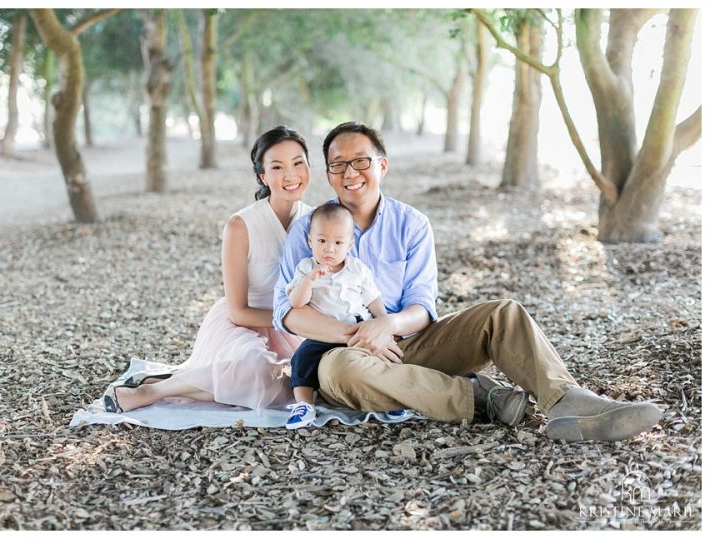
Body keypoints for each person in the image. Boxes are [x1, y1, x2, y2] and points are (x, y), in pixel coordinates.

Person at [273, 121, 662, 442]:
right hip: (343, 355)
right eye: (338, 165)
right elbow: (288, 312)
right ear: (328, 174)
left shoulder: (412, 225)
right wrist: (356, 334)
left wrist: (386, 325)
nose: (350, 173)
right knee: (342, 372)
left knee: (503, 314)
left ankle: (568, 402)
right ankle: (480, 396)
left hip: (410, 343)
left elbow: (422, 308)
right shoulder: (309, 230)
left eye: (361, 161)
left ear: (383, 166)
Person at [103, 126, 313, 413]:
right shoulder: (241, 226)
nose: (290, 175)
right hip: (242, 322)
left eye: (298, 163)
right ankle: (154, 390)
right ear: (263, 176)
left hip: (293, 327)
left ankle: (186, 380)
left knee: (295, 382)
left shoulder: (317, 221)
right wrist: (293, 320)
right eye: (277, 167)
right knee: (259, 372)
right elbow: (238, 311)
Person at [285, 202, 387, 429]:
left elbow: (373, 299)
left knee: (378, 356)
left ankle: (388, 398)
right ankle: (303, 405)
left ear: (350, 245)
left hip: (359, 327)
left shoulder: (358, 269)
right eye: (321, 241)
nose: (329, 249)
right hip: (323, 333)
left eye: (338, 243)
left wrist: (385, 323)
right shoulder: (305, 268)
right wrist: (310, 280)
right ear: (310, 241)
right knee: (301, 357)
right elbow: (296, 302)